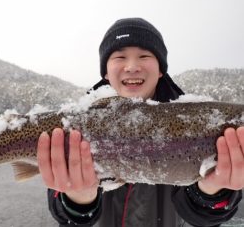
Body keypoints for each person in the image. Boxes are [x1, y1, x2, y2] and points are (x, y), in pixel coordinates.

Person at [37, 18, 243, 227]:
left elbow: (201, 220)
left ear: (161, 69)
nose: (132, 66)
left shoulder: (198, 123)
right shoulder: (73, 125)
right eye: (120, 56)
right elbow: (66, 218)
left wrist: (213, 193)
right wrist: (79, 199)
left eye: (144, 55)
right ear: (106, 72)